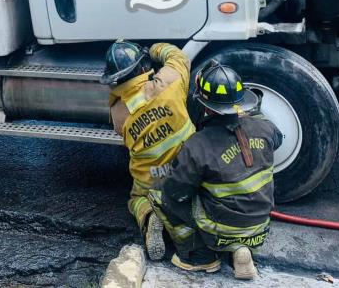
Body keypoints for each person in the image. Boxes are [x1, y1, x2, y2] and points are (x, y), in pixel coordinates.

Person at [148, 61, 282, 280]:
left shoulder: (197, 145)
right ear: (241, 100)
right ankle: (240, 251)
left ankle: (200, 258)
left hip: (221, 231)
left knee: (160, 194)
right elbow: (276, 140)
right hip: (259, 227)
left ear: (206, 106)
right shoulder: (265, 128)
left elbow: (177, 192)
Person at [101, 40, 195, 261]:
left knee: (135, 199)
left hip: (151, 177)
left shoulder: (117, 114)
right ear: (143, 67)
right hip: (187, 168)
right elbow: (180, 58)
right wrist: (155, 49)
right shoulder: (169, 83)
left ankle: (149, 214)